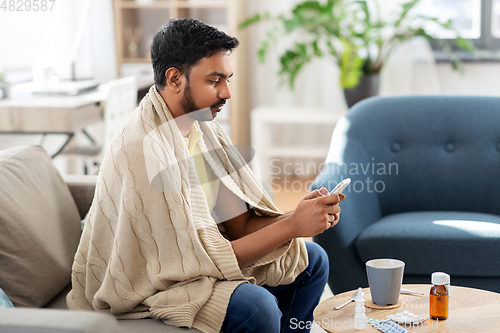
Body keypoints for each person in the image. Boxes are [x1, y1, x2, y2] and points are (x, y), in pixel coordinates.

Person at [67, 18, 345, 333]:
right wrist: (294, 226)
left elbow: (239, 226)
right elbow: (192, 264)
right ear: (174, 79)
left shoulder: (201, 128)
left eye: (227, 78)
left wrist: (298, 216)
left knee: (313, 260)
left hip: (200, 258)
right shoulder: (144, 150)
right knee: (257, 306)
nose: (226, 92)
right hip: (155, 284)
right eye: (214, 80)